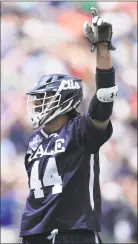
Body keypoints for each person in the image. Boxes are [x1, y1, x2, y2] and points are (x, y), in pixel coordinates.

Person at [20, 8, 118, 244]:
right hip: (35, 233)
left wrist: (102, 47)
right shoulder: (35, 140)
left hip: (73, 232)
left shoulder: (81, 131)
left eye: (45, 97)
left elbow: (104, 97)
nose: (38, 103)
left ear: (64, 100)